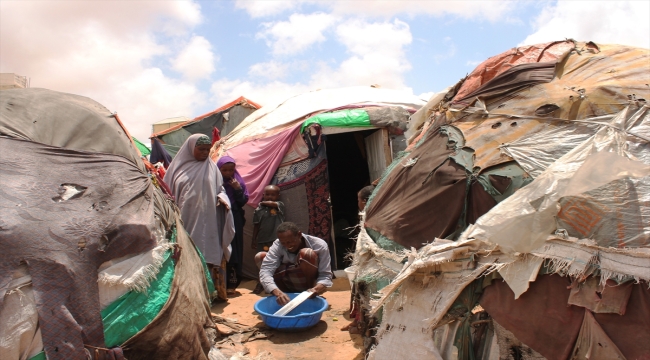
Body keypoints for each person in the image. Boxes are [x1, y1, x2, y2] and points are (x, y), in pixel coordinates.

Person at [163, 134, 234, 301]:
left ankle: (208, 294)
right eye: (201, 149)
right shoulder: (177, 170)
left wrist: (223, 199)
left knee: (207, 253)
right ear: (190, 148)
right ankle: (189, 296)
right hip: (185, 220)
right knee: (186, 253)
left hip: (209, 220)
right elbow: (166, 194)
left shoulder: (213, 168)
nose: (204, 153)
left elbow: (220, 190)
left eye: (207, 150)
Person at [256, 222, 333, 305]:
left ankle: (309, 296)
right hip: (287, 281)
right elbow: (265, 271)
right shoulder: (277, 245)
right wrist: (277, 292)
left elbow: (325, 275)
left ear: (299, 235)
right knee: (260, 257)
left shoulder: (319, 245)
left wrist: (316, 290)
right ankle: (285, 296)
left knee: (307, 253)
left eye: (290, 242)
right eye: (283, 243)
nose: (287, 246)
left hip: (308, 284)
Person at [217, 156, 249, 296]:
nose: (228, 173)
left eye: (231, 170)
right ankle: (218, 283)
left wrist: (237, 189)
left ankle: (232, 282)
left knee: (234, 249)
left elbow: (242, 202)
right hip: (218, 217)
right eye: (224, 170)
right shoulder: (215, 182)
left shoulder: (238, 182)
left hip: (235, 218)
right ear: (218, 170)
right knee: (219, 248)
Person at [251, 185, 285, 293]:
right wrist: (253, 239)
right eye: (267, 194)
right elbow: (256, 225)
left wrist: (262, 202)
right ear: (263, 195)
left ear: (278, 196)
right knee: (262, 262)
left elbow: (273, 204)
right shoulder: (259, 210)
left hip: (276, 240)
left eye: (273, 195)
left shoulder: (279, 205)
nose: (270, 197)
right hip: (262, 240)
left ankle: (276, 283)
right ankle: (261, 282)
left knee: (278, 260)